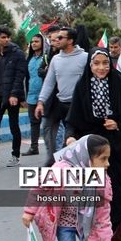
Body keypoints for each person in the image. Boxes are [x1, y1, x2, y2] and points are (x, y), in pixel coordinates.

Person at [65, 47, 121, 229]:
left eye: (105, 63)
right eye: (96, 63)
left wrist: (118, 124)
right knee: (96, 189)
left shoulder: (120, 83)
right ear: (90, 65)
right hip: (93, 145)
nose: (101, 68)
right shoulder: (82, 85)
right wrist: (70, 136)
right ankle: (99, 231)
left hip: (119, 142)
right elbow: (74, 118)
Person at [22, 134, 113, 241]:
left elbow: (103, 215)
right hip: (64, 224)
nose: (107, 164)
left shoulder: (101, 181)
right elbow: (39, 187)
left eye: (108, 159)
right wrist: (29, 212)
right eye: (103, 159)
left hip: (88, 225)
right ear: (86, 157)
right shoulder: (61, 170)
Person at [35, 27, 88, 166]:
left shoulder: (85, 57)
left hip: (78, 106)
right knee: (51, 131)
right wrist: (41, 102)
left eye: (60, 38)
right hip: (61, 104)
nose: (56, 40)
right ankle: (54, 162)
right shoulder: (56, 60)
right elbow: (49, 82)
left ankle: (77, 169)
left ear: (70, 40)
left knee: (74, 139)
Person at [0, 26, 27, 169]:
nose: (6, 39)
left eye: (8, 37)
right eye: (3, 37)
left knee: (14, 126)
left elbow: (19, 76)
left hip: (11, 97)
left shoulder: (18, 54)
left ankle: (15, 156)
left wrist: (15, 94)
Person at [22, 34, 46, 156]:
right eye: (32, 42)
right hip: (31, 96)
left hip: (46, 96)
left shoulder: (46, 58)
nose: (34, 44)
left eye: (36, 41)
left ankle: (52, 149)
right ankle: (34, 147)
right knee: (34, 123)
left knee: (48, 124)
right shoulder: (29, 59)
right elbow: (25, 78)